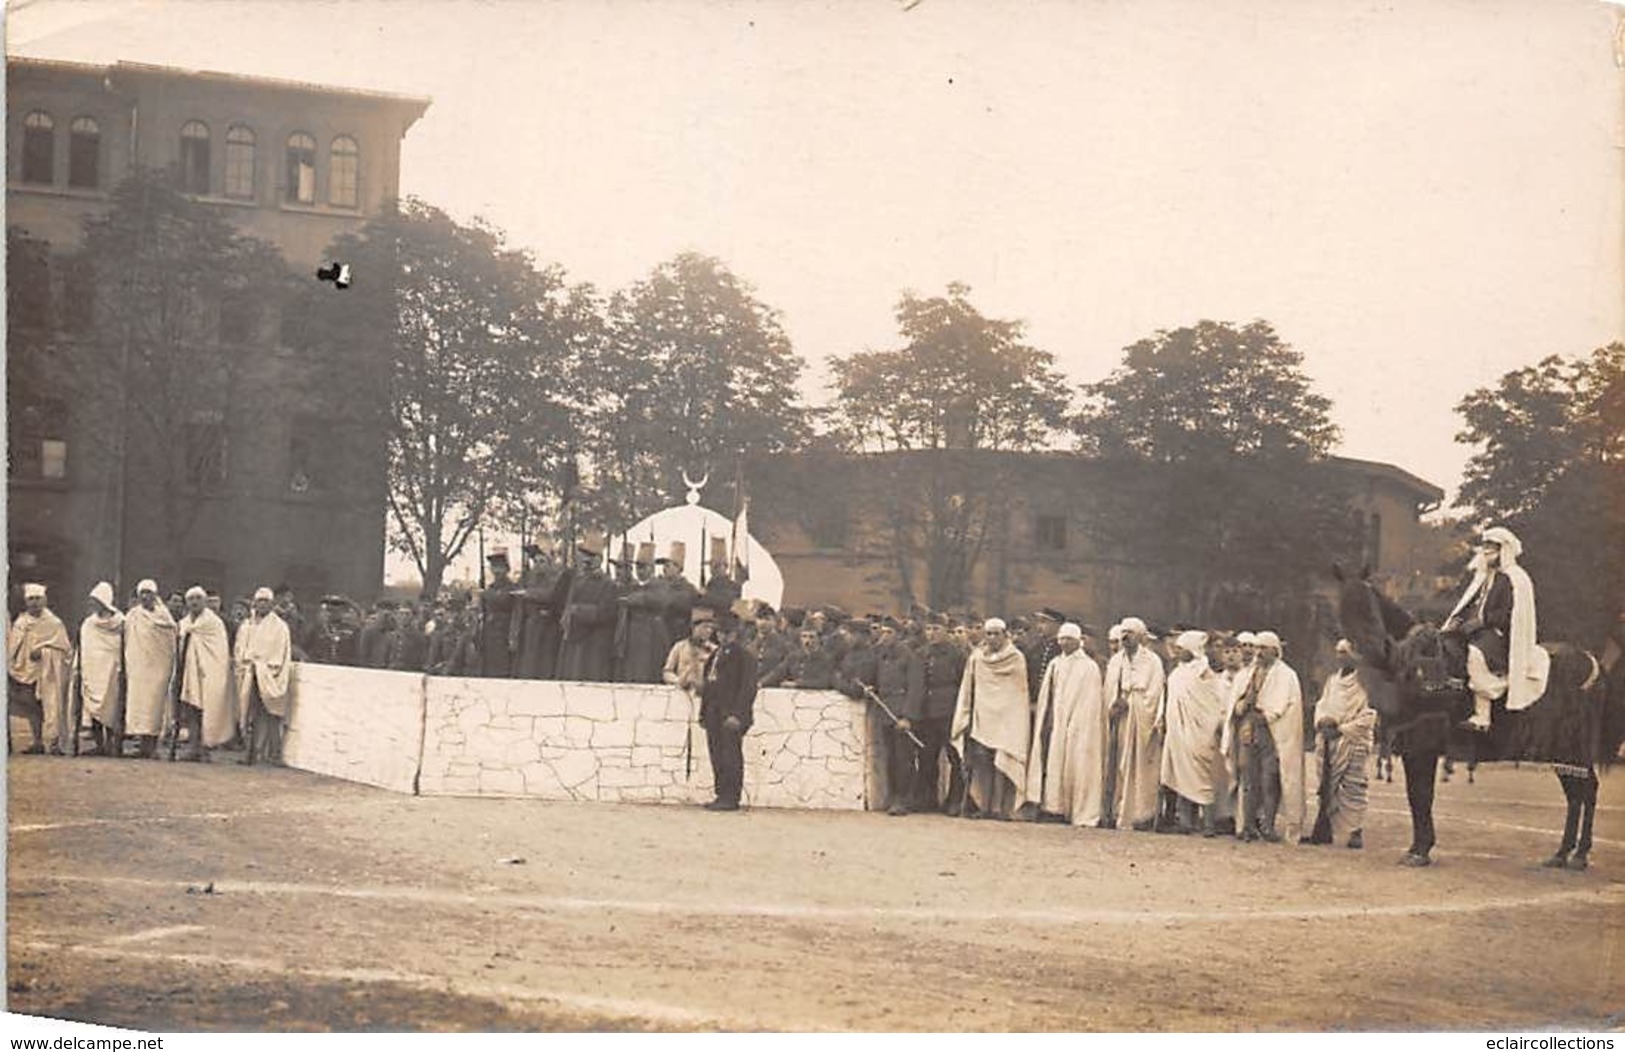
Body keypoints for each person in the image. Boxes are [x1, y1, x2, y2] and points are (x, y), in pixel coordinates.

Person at [1442, 526, 1549, 732]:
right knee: (1444, 645)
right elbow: (1470, 604)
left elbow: (1509, 613)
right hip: (1474, 630)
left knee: (1476, 654)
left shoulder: (1514, 578)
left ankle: (1482, 717)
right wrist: (1458, 620)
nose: (1486, 552)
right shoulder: (1481, 576)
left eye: (1492, 548)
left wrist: (1481, 621)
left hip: (1500, 633)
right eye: (1485, 547)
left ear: (1503, 550)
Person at [1024, 622, 1105, 825]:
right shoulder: (1055, 664)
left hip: (1078, 724)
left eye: (1069, 639)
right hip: (1056, 721)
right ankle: (1053, 806)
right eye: (1061, 639)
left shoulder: (1089, 667)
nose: (1064, 643)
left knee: (1076, 763)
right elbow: (1049, 695)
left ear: (1078, 641)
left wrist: (1075, 723)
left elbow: (1090, 700)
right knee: (1053, 762)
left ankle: (1075, 807)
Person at [950, 618, 1030, 820]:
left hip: (1006, 719)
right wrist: (966, 714)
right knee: (982, 762)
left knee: (1003, 761)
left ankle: (1000, 807)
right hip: (982, 719)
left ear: (1005, 635)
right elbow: (969, 687)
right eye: (989, 634)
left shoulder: (1016, 658)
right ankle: (983, 805)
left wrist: (1010, 716)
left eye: (996, 634)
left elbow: (1018, 693)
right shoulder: (977, 658)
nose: (992, 638)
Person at [1308, 639, 1376, 849]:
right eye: (1338, 652)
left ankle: (1355, 830)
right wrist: (1323, 723)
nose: (1340, 657)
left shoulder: (1367, 683)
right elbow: (1322, 705)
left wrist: (1342, 730)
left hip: (1352, 742)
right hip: (1328, 742)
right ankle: (1325, 828)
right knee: (1326, 787)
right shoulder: (1332, 681)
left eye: (1345, 652)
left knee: (1353, 788)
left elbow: (1369, 715)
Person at [1160, 630, 1227, 836]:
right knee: (1181, 773)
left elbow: (1214, 701)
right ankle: (1186, 822)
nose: (1178, 652)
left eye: (1182, 649)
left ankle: (1208, 823)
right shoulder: (1177, 673)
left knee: (1201, 775)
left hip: (1201, 732)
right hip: (1178, 732)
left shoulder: (1205, 671)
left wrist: (1211, 724)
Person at [1103, 616, 1166, 831]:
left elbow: (1154, 693)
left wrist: (1131, 702)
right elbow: (1109, 688)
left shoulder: (1152, 661)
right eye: (1123, 633)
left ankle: (1142, 814)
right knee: (1118, 764)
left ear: (1140, 637)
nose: (1125, 637)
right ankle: (1116, 811)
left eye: (1130, 633)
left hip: (1141, 722)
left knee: (1141, 767)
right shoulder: (1115, 661)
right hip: (1121, 722)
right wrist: (1113, 703)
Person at [699, 613, 758, 811]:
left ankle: (731, 797)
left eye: (727, 633)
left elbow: (747, 688)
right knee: (717, 754)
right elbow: (709, 684)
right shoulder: (716, 655)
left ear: (735, 634)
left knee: (730, 755)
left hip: (731, 713)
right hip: (714, 712)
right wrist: (704, 712)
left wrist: (738, 715)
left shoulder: (744, 656)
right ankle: (720, 794)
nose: (723, 637)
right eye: (721, 633)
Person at [1252, 630, 1305, 843]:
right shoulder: (1254, 671)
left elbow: (1278, 706)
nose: (1258, 653)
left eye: (1263, 648)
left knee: (1272, 779)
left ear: (1275, 650)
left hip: (1278, 735)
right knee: (1255, 780)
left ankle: (1271, 824)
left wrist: (1264, 715)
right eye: (1257, 648)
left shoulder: (1286, 675)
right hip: (1257, 733)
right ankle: (1255, 822)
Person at [8, 583, 73, 755]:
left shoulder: (54, 623)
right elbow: (12, 647)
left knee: (52, 706)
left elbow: (65, 650)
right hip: (27, 672)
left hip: (49, 672)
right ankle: (37, 741)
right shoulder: (20, 623)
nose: (34, 603)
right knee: (32, 708)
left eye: (37, 599)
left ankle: (53, 742)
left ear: (44, 600)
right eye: (31, 599)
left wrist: (44, 652)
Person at [869, 620, 925, 816]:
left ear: (899, 635)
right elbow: (877, 680)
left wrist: (908, 717)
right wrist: (871, 687)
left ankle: (904, 799)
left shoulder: (911, 658)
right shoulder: (881, 656)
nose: (884, 636)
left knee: (904, 759)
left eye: (889, 632)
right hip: (886, 712)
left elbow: (916, 689)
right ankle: (892, 796)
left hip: (901, 714)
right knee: (890, 757)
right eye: (883, 632)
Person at [234, 587, 292, 766]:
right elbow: (239, 648)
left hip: (268, 674)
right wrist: (246, 663)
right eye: (259, 601)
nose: (262, 605)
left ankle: (275, 754)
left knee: (272, 714)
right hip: (250, 673)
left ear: (272, 604)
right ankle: (250, 754)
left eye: (266, 601)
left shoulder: (279, 627)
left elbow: (280, 651)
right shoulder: (247, 625)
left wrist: (266, 668)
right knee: (250, 714)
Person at [176, 586, 234, 761]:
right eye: (191, 599)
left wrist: (209, 669)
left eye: (197, 598)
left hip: (209, 673)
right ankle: (193, 747)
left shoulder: (213, 623)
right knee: (191, 709)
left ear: (204, 601)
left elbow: (218, 651)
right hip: (189, 673)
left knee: (207, 710)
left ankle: (205, 747)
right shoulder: (184, 623)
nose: (194, 602)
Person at [916, 619, 967, 813]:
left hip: (949, 711)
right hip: (927, 712)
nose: (931, 633)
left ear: (946, 631)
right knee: (927, 756)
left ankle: (954, 801)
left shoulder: (957, 655)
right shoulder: (922, 654)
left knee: (954, 757)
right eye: (928, 628)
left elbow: (964, 684)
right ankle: (927, 799)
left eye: (936, 628)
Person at [123, 579, 178, 758]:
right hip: (138, 667)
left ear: (155, 596)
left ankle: (152, 746)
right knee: (139, 706)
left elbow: (169, 641)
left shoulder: (164, 616)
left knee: (155, 706)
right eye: (143, 593)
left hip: (158, 668)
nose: (146, 597)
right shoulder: (132, 615)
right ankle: (142, 746)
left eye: (149, 593)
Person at [558, 544, 621, 682]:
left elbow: (607, 612)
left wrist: (578, 610)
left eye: (591, 557)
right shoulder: (576, 580)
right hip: (575, 638)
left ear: (599, 560)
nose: (586, 560)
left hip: (594, 642)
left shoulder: (608, 584)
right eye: (584, 555)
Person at [77, 582, 126, 757]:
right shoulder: (88, 624)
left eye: (95, 601)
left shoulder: (121, 622)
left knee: (112, 708)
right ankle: (99, 745)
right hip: (92, 670)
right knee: (94, 710)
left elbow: (123, 646)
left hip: (113, 670)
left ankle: (112, 744)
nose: (92, 605)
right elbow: (84, 646)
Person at [477, 550, 522, 678]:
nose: (496, 571)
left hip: (504, 633)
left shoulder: (512, 588)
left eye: (500, 568)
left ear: (506, 569)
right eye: (494, 567)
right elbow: (483, 611)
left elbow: (514, 610)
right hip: (488, 634)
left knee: (502, 670)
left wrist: (513, 637)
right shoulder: (490, 588)